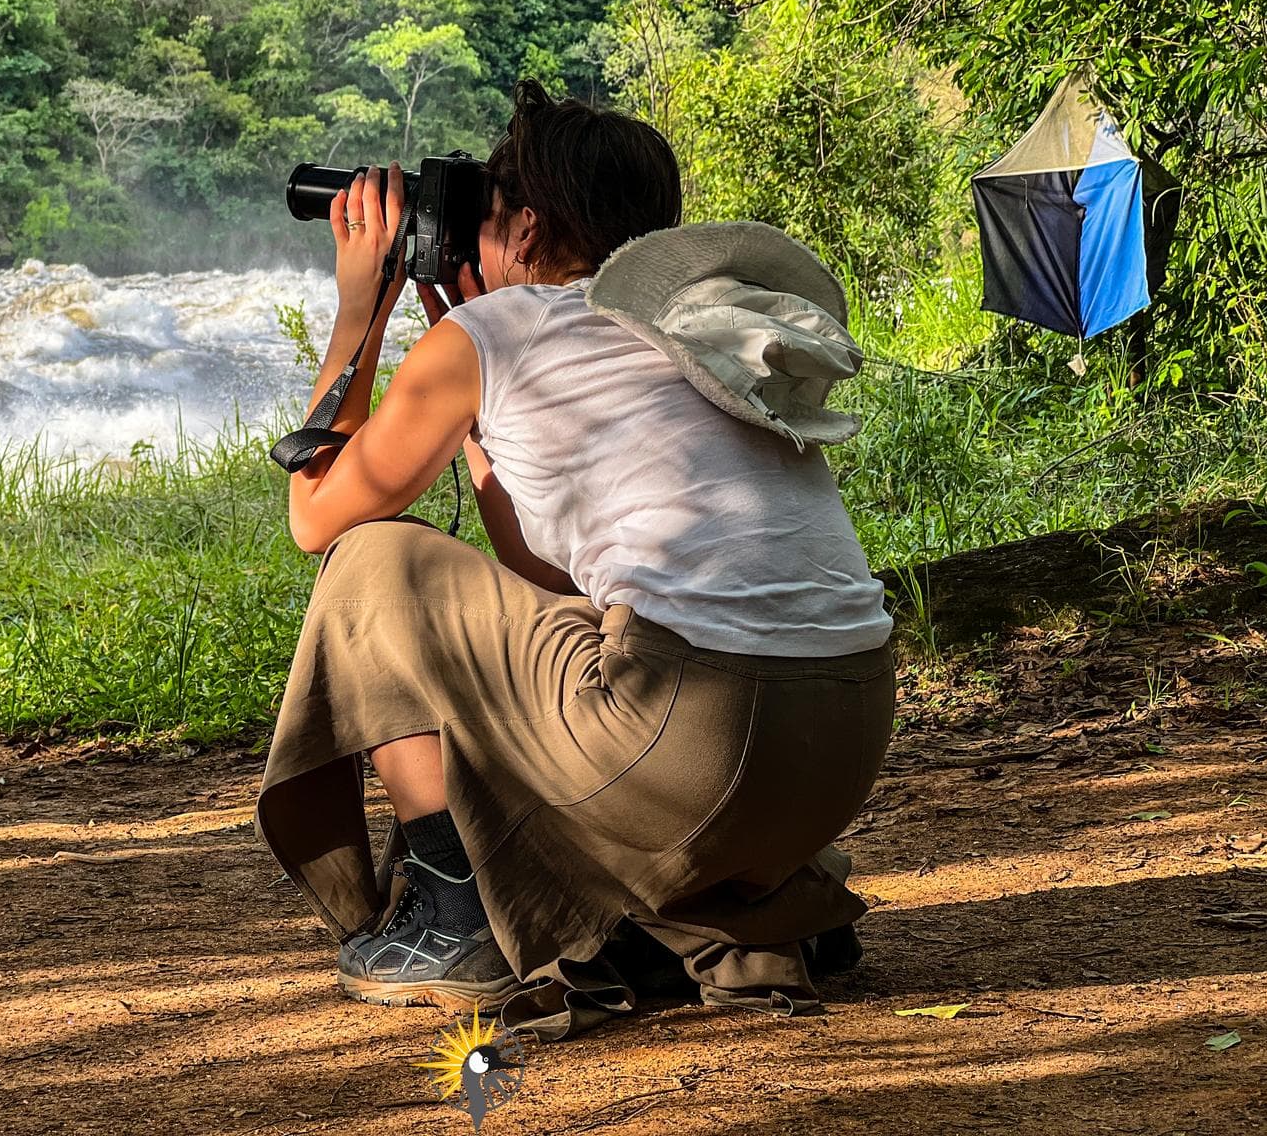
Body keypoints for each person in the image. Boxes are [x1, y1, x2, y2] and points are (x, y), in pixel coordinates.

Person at [254, 78, 895, 1042]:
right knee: (582, 620)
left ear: (523, 228)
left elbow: (318, 518)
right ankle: (750, 906)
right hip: (841, 744)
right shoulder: (697, 328)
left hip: (690, 738)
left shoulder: (494, 332)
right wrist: (476, 407)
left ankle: (457, 912)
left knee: (372, 561)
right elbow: (551, 572)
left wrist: (364, 306)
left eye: (487, 215)